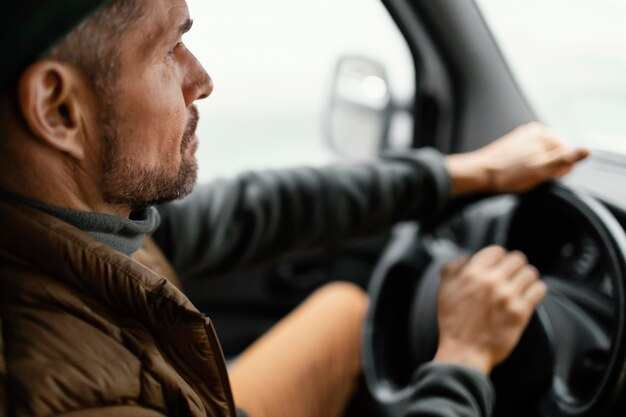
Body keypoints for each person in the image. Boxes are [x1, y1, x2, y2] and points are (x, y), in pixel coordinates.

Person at [0, 1, 589, 417]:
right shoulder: (65, 397)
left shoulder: (76, 220)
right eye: (169, 48)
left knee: (342, 311)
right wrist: (463, 359)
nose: (201, 79)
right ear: (58, 108)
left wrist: (461, 173)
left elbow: (250, 211)